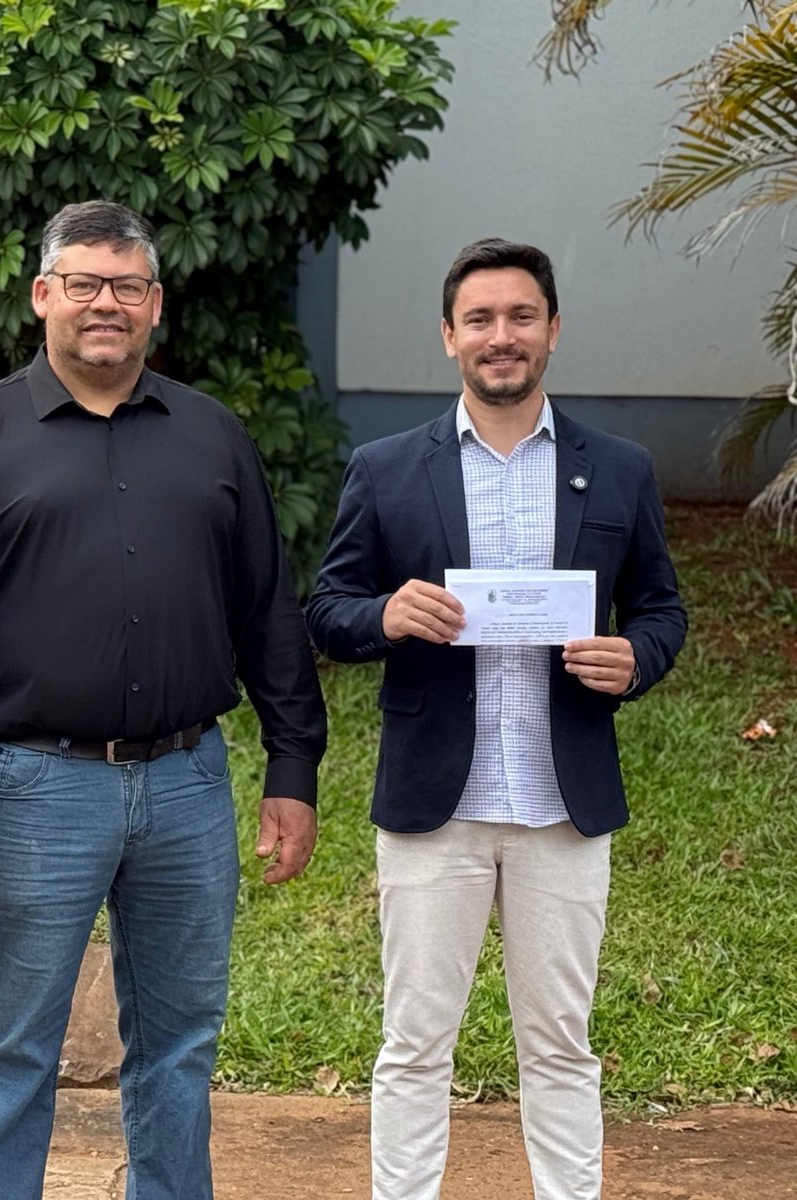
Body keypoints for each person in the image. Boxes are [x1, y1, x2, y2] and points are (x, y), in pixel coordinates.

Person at [0, 199, 327, 1200]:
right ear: (42, 295)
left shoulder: (212, 435)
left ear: (155, 304)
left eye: (127, 285)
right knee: (11, 1047)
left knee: (180, 1043)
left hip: (188, 783)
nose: (106, 303)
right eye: (83, 282)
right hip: (36, 787)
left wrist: (292, 765)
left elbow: (267, 609)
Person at [306, 238, 688, 1200]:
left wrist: (635, 658)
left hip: (564, 804)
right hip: (436, 807)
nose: (501, 336)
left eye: (521, 316)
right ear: (449, 336)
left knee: (560, 1042)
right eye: (479, 319)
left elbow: (661, 608)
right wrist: (386, 615)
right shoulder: (388, 468)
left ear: (553, 330)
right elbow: (328, 609)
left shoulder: (620, 468)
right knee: (414, 1041)